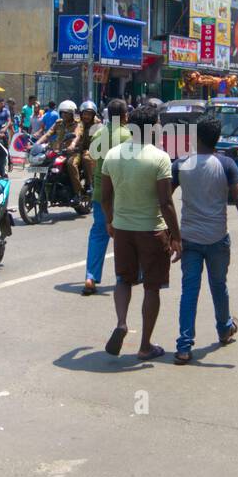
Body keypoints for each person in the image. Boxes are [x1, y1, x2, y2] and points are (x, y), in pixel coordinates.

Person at [171, 116, 238, 363]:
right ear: (217, 138)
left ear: (195, 137)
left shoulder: (181, 164)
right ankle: (224, 329)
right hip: (217, 239)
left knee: (189, 291)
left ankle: (183, 345)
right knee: (218, 286)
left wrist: (170, 233)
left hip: (188, 238)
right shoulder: (226, 164)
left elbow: (163, 198)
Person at [100, 106, 182, 360]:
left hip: (123, 229)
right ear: (153, 127)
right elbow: (166, 203)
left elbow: (105, 196)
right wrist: (177, 236)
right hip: (152, 230)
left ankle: (122, 322)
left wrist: (110, 221)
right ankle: (145, 345)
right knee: (152, 287)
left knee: (123, 279)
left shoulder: (112, 155)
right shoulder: (159, 158)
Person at [83, 99, 131, 295]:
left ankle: (90, 277)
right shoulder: (128, 135)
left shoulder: (99, 132)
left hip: (100, 190)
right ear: (125, 115)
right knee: (124, 234)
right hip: (122, 192)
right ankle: (124, 276)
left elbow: (92, 161)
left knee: (98, 233)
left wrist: (96, 182)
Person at [37, 101, 85, 195]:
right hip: (57, 153)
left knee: (71, 164)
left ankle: (78, 192)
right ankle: (44, 195)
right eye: (62, 112)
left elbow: (77, 135)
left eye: (67, 113)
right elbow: (48, 134)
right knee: (42, 163)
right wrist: (37, 144)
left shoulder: (78, 124)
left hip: (73, 153)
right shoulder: (58, 123)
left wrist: (72, 145)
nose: (64, 114)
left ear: (72, 113)